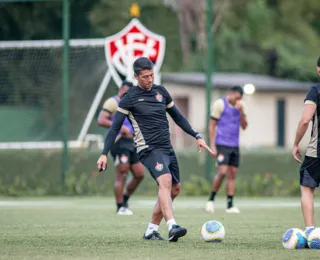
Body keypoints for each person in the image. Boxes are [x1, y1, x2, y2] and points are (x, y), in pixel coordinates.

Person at [97, 57, 214, 241]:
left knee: (175, 188)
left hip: (167, 148)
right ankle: (172, 226)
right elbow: (114, 127)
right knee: (165, 181)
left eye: (151, 75)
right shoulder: (129, 98)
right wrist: (104, 153)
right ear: (136, 76)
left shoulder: (161, 92)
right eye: (145, 77)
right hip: (148, 149)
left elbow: (178, 117)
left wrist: (197, 136)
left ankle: (151, 230)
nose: (149, 80)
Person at [97, 81, 144, 215]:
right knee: (122, 174)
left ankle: (125, 199)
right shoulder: (112, 102)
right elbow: (101, 120)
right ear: (120, 89)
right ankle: (120, 207)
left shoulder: (132, 103)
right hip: (119, 142)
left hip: (132, 142)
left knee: (139, 174)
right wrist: (120, 127)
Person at [205, 86, 248, 214]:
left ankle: (230, 205)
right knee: (222, 171)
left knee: (232, 173)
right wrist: (212, 145)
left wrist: (241, 113)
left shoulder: (241, 106)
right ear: (230, 94)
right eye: (236, 97)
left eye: (239, 98)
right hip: (221, 143)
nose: (237, 100)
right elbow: (212, 125)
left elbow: (244, 126)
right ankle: (211, 200)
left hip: (235, 144)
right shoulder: (219, 104)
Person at [292, 56, 320, 235]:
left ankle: (310, 231)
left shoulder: (315, 91)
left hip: (317, 151)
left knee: (307, 188)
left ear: (318, 69)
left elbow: (305, 120)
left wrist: (295, 143)